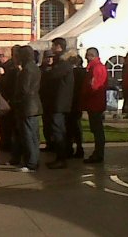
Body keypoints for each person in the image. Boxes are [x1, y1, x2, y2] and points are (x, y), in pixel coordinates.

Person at [40, 38, 77, 169]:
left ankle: (61, 158)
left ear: (59, 47)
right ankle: (62, 155)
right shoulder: (62, 63)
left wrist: (46, 70)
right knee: (58, 129)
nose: (52, 49)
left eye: (54, 46)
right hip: (58, 102)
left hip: (59, 103)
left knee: (58, 130)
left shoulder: (63, 63)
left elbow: (51, 76)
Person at [14, 46, 42, 172]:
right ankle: (34, 160)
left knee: (29, 135)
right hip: (33, 105)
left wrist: (16, 99)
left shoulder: (27, 70)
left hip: (27, 106)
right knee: (33, 135)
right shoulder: (34, 67)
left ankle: (31, 162)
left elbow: (24, 89)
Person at [80, 48, 109, 164]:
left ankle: (98, 153)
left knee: (97, 130)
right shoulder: (97, 67)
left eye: (87, 56)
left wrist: (85, 94)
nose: (86, 58)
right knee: (96, 129)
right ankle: (98, 153)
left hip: (94, 103)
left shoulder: (96, 68)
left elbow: (94, 86)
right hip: (96, 102)